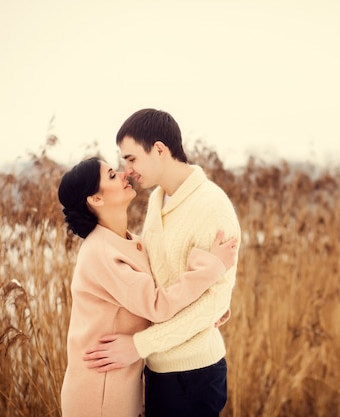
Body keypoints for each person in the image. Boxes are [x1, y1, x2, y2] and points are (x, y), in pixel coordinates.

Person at [83, 109, 241, 416]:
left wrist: (138, 345)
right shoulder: (158, 200)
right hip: (156, 368)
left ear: (159, 149)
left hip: (194, 373)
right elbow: (156, 278)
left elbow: (213, 302)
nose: (127, 170)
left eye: (131, 159)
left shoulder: (213, 207)